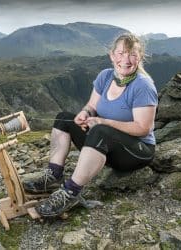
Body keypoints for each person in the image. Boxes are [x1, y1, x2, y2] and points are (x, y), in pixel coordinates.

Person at [23, 33, 158, 217]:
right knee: (64, 118)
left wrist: (103, 122)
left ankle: (70, 193)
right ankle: (54, 176)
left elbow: (144, 128)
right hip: (107, 145)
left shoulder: (143, 86)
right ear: (112, 55)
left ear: (140, 57)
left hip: (137, 152)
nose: (125, 60)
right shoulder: (105, 76)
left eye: (132, 54)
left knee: (101, 130)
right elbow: (92, 105)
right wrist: (85, 113)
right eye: (121, 53)